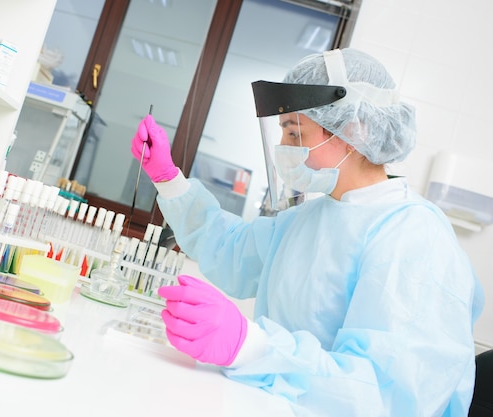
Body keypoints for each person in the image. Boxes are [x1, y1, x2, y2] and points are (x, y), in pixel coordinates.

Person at [130, 48, 484, 417]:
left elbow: (383, 396)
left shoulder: (415, 237)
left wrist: (251, 347)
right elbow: (232, 251)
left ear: (354, 131)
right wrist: (169, 181)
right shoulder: (312, 217)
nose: (284, 148)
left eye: (295, 132)